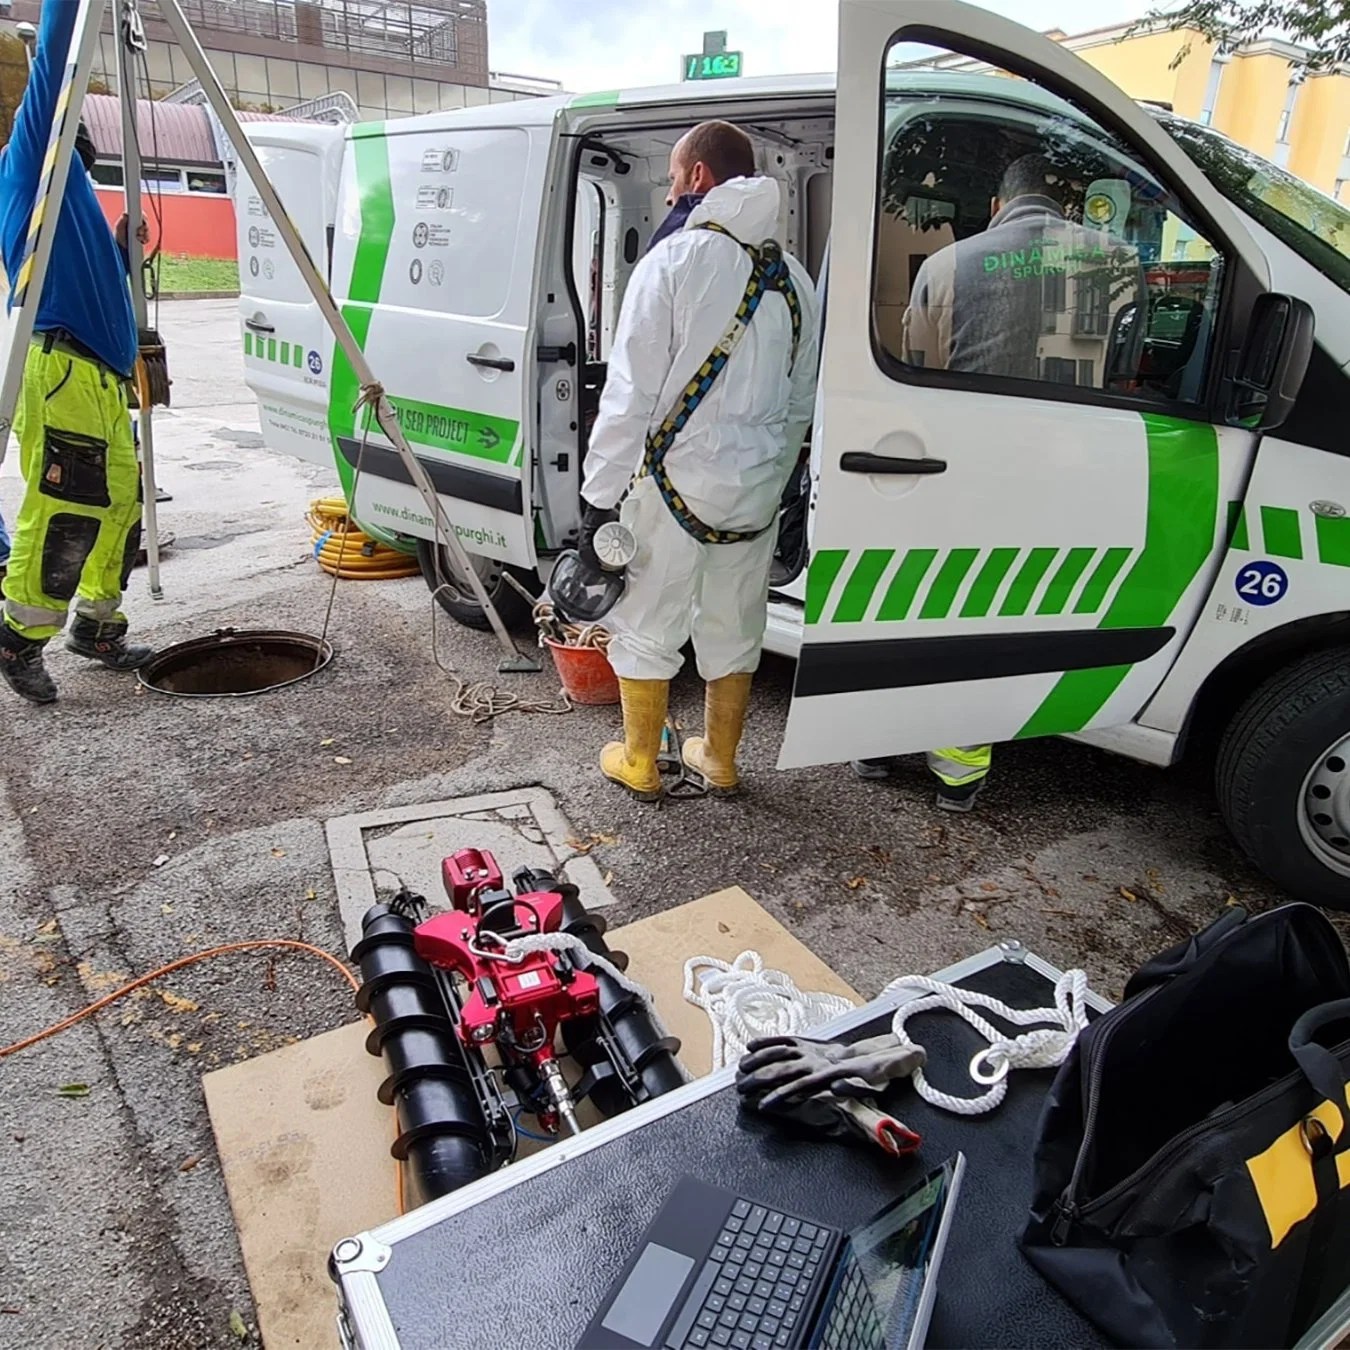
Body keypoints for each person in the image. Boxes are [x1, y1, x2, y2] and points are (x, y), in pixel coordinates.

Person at [854, 153, 1142, 811]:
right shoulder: (1114, 261)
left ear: (996, 206)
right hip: (1059, 472)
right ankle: (960, 774)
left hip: (956, 469)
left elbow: (915, 375)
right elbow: (1129, 370)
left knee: (913, 607)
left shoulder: (946, 265)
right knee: (993, 615)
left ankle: (874, 741)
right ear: (1062, 208)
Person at [581, 120, 820, 799]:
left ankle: (639, 761)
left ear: (699, 179)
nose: (666, 196)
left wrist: (599, 495)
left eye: (671, 179)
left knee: (647, 622)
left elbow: (629, 396)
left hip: (672, 486)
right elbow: (800, 402)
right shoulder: (796, 281)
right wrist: (773, 481)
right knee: (735, 621)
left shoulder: (675, 263)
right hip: (753, 492)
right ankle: (719, 759)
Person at [0, 2, 152, 704]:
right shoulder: (30, 164)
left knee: (119, 504)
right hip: (63, 372)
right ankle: (18, 638)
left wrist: (123, 258)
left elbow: (92, 282)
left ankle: (96, 626)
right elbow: (56, 63)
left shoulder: (77, 191)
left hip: (100, 376)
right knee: (68, 514)